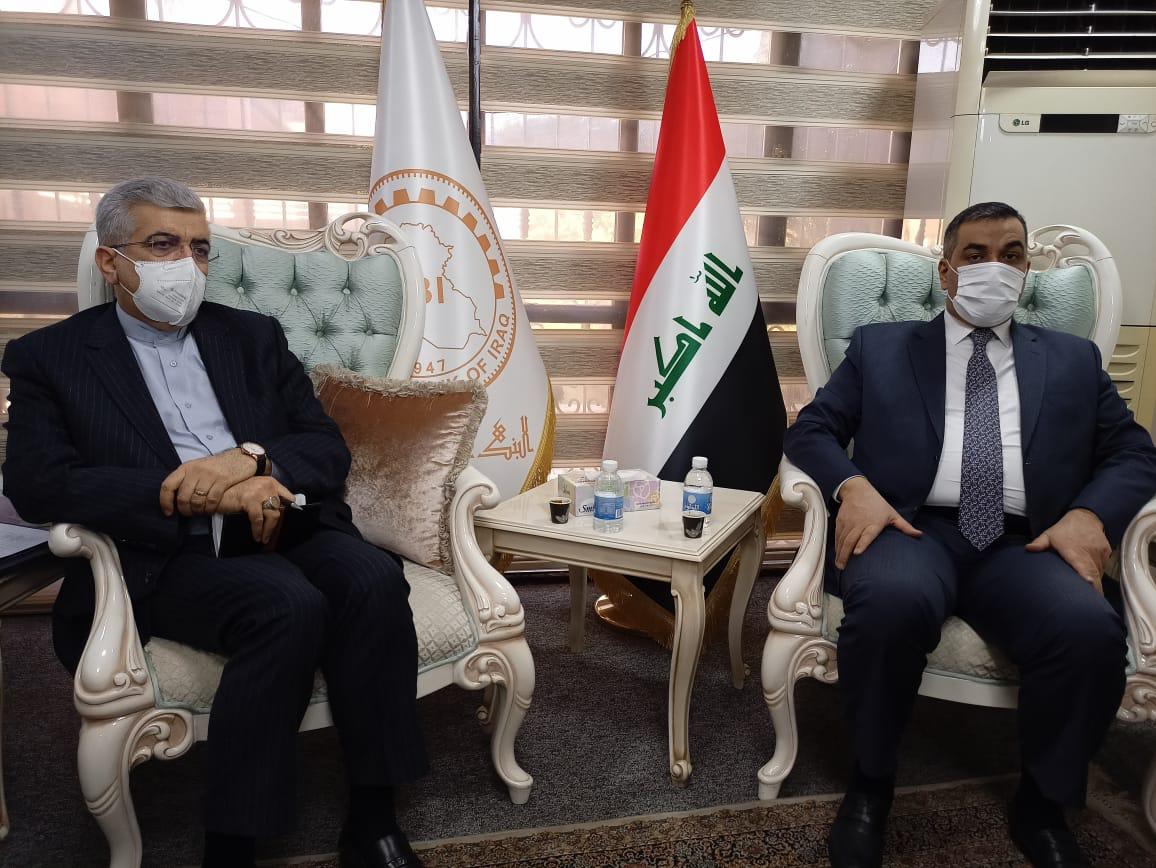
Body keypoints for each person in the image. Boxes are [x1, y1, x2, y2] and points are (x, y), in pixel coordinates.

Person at [2, 177, 427, 868]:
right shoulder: (49, 357)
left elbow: (323, 445)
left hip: (282, 521)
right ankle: (233, 845)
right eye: (162, 245)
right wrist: (195, 495)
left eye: (199, 249)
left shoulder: (251, 336)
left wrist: (253, 461)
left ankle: (374, 817)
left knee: (373, 578)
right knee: (285, 605)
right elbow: (37, 482)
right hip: (164, 551)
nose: (187, 264)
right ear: (111, 262)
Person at [784, 202, 1156, 868]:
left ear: (1027, 268)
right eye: (976, 255)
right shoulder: (882, 347)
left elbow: (1133, 452)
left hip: (1027, 541)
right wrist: (852, 486)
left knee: (1088, 629)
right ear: (946, 271)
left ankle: (1043, 806)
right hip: (911, 527)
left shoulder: (1073, 359)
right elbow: (811, 430)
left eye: (1011, 254)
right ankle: (870, 787)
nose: (995, 268)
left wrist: (1090, 515)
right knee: (889, 606)